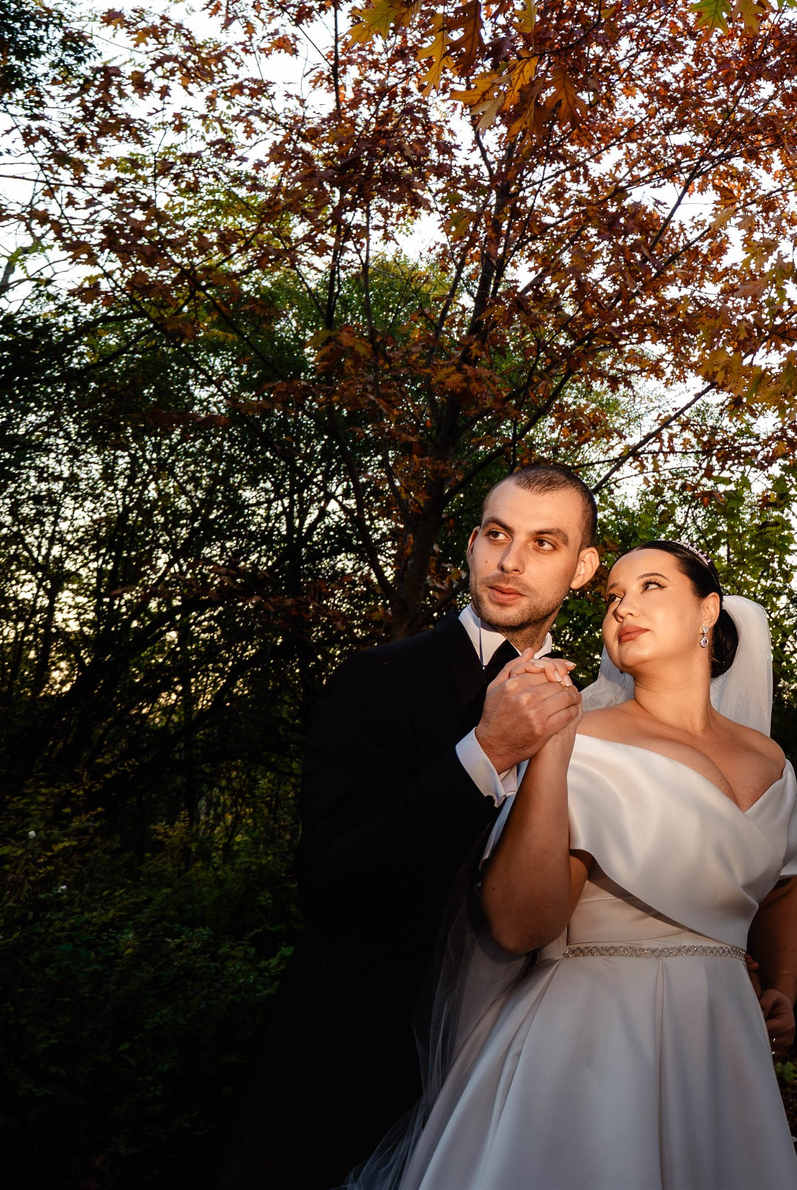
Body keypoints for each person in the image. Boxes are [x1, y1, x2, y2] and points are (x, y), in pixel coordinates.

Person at [359, 538, 797, 1189]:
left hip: (721, 1043)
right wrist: (553, 758)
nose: (623, 606)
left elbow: (784, 889)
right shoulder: (583, 742)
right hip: (592, 1046)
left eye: (651, 585)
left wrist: (784, 991)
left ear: (709, 609)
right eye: (613, 596)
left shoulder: (771, 761)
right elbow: (517, 926)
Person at [219, 467, 597, 1190]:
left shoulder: (595, 710)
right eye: (496, 533)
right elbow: (329, 880)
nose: (510, 560)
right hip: (353, 1076)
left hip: (524, 1075)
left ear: (582, 569)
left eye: (544, 542)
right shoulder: (378, 678)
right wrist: (482, 755)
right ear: (471, 544)